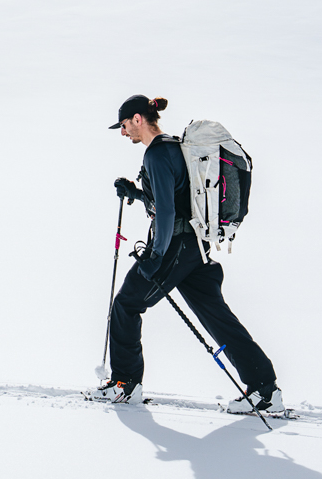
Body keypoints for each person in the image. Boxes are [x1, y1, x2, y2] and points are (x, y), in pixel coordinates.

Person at [86, 94, 283, 414]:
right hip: (196, 247)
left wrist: (155, 256)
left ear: (138, 119)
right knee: (216, 317)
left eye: (124, 125)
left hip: (174, 247)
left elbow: (165, 211)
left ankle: (125, 384)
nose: (123, 132)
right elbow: (175, 200)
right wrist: (135, 192)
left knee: (126, 304)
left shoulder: (157, 154)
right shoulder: (175, 148)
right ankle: (265, 389)